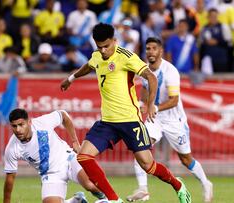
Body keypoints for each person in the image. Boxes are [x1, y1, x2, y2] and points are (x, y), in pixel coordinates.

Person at [60, 23, 192, 203]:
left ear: (115, 40)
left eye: (107, 46)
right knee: (83, 156)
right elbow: (90, 66)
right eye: (100, 47)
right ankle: (114, 199)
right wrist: (71, 78)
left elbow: (151, 77)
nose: (104, 50)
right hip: (107, 122)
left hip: (130, 121)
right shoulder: (97, 56)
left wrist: (150, 103)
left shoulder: (126, 57)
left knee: (148, 166)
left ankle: (178, 185)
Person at [126, 37, 213, 202]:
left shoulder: (170, 71)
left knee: (185, 159)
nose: (150, 52)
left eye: (153, 48)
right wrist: (142, 103)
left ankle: (206, 183)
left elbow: (174, 100)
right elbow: (145, 89)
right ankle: (143, 189)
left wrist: (155, 107)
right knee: (140, 147)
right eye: (148, 49)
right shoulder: (145, 71)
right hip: (155, 119)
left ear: (161, 51)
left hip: (174, 120)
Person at [3, 108, 107, 203]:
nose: (18, 130)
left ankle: (108, 200)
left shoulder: (41, 123)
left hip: (68, 159)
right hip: (50, 175)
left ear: (29, 122)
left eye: (21, 125)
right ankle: (76, 201)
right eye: (14, 126)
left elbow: (63, 115)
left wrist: (75, 141)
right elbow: (10, 179)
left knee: (90, 185)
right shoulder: (12, 148)